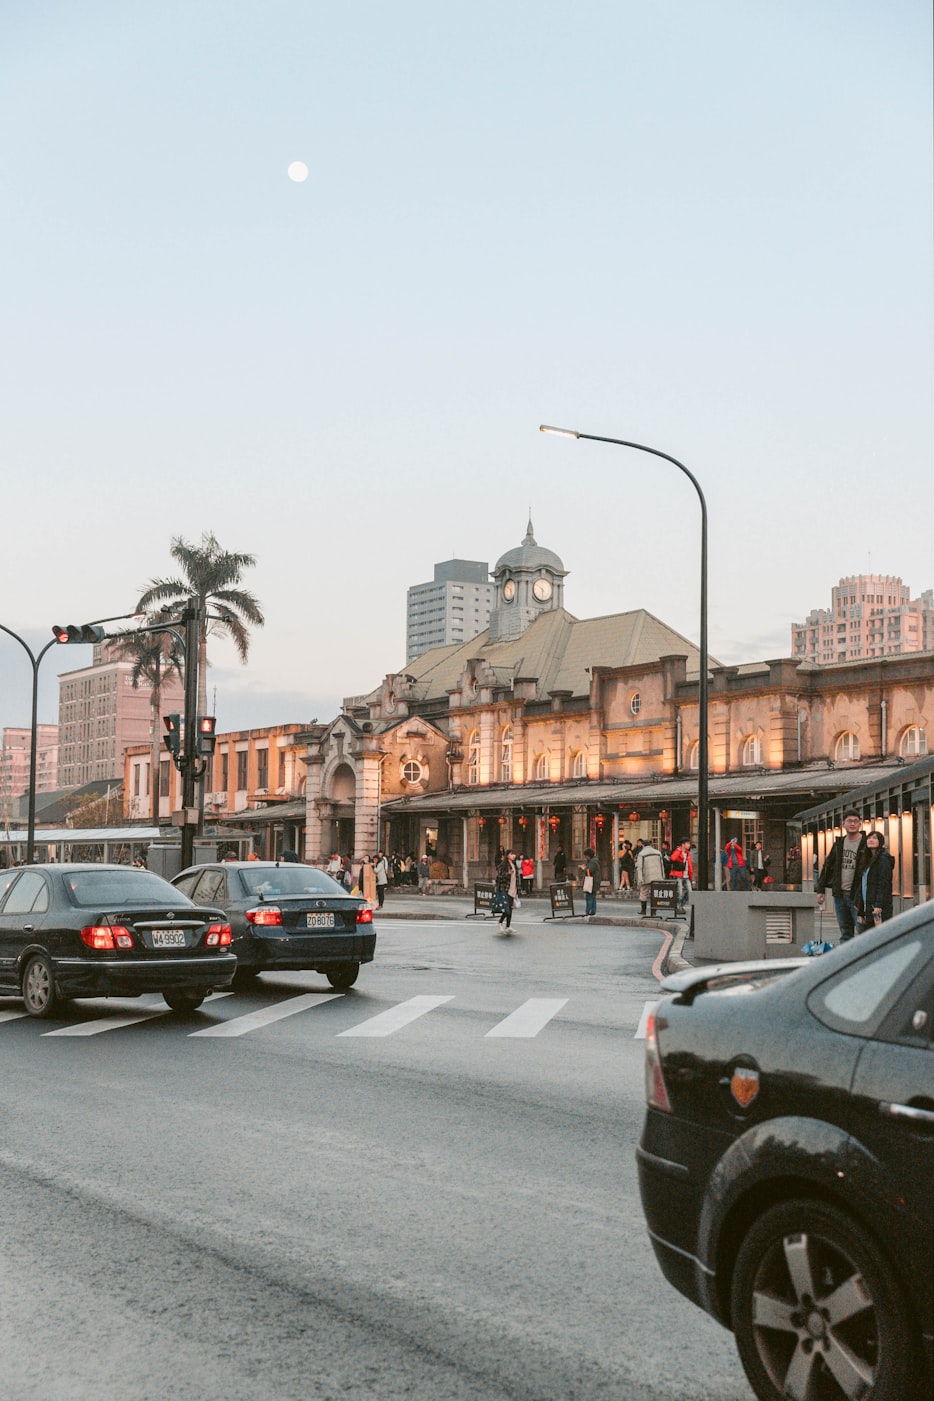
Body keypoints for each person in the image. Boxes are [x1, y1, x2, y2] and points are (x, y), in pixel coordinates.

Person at [816, 811, 869, 943]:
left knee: (863, 931)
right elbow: (827, 866)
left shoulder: (866, 844)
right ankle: (847, 961)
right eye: (849, 821)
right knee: (845, 932)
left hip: (859, 897)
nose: (852, 823)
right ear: (843, 824)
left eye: (855, 821)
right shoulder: (839, 844)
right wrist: (821, 889)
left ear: (860, 824)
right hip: (840, 895)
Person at [855, 830, 894, 930]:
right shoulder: (867, 859)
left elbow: (884, 883)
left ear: (880, 842)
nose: (871, 840)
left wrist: (879, 905)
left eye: (874, 838)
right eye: (869, 838)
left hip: (877, 907)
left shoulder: (883, 859)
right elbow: (862, 884)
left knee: (880, 935)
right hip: (867, 905)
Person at [635, 838, 665, 916]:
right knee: (654, 893)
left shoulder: (641, 854)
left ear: (643, 845)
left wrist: (640, 879)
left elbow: (640, 867)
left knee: (644, 893)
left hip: (646, 877)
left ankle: (643, 910)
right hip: (657, 876)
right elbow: (662, 865)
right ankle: (654, 911)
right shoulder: (658, 853)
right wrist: (662, 876)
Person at [495, 848, 519, 930]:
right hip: (506, 889)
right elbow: (499, 877)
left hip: (513, 889)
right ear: (508, 855)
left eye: (514, 854)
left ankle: (508, 926)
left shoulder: (514, 864)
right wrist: (507, 874)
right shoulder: (504, 865)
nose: (514, 856)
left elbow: (516, 877)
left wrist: (517, 888)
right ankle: (500, 922)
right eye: (512, 854)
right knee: (507, 908)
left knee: (510, 908)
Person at [668, 841, 691, 912]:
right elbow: (673, 858)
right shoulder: (678, 851)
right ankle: (678, 907)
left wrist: (691, 875)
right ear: (683, 844)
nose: (689, 845)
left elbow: (689, 865)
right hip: (678, 874)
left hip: (686, 875)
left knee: (690, 892)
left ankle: (680, 905)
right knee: (679, 892)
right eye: (687, 844)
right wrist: (679, 850)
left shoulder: (688, 853)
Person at [580, 847, 601, 917]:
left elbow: (589, 870)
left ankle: (587, 911)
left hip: (592, 882)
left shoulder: (593, 862)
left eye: (586, 856)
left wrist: (584, 868)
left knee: (589, 897)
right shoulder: (594, 861)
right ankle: (593, 911)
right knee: (593, 897)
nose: (585, 857)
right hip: (594, 882)